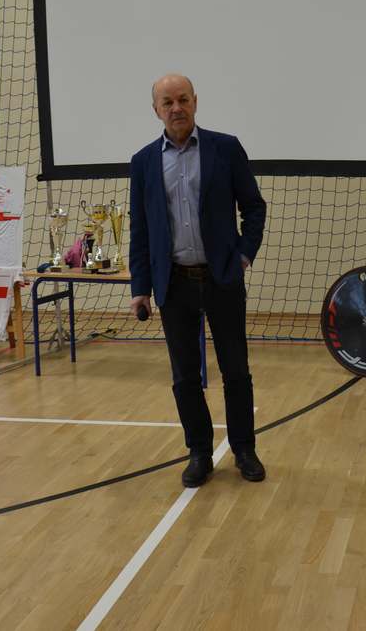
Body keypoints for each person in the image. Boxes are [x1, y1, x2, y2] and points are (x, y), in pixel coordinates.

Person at [129, 73, 268, 488]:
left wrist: (243, 255)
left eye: (183, 99)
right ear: (156, 110)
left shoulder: (226, 148)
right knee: (185, 376)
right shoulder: (143, 162)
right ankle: (199, 452)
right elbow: (141, 229)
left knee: (236, 370)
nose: (177, 108)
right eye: (168, 102)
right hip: (174, 284)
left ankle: (244, 449)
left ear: (195, 102)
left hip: (222, 278)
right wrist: (140, 288)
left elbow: (254, 208)